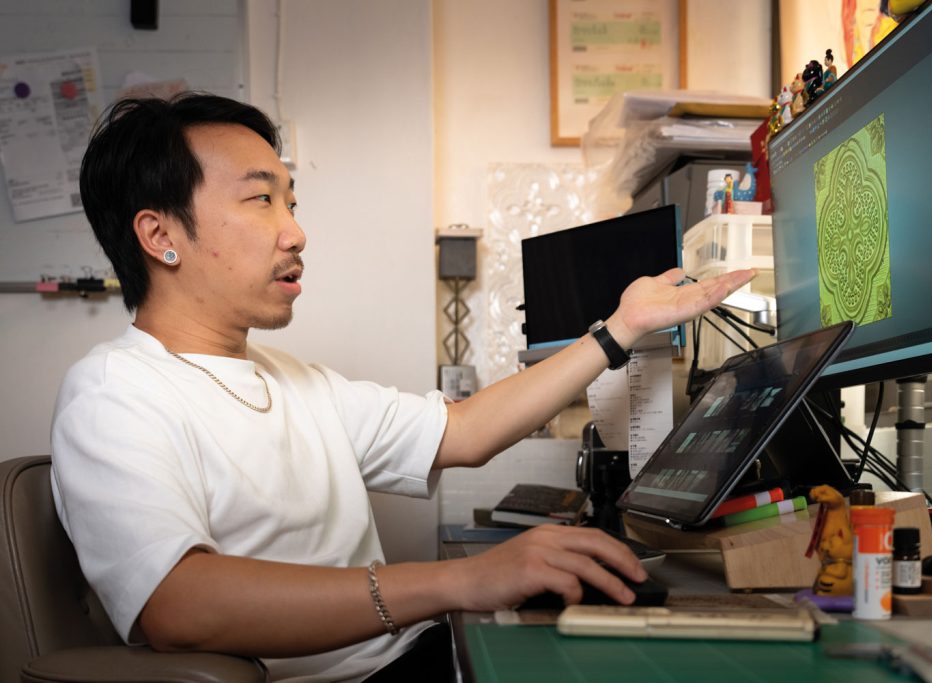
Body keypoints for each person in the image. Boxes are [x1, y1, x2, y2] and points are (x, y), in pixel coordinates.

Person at [50, 92, 756, 682]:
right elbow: (180, 606)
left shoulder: (292, 381)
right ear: (159, 233)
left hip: (411, 660)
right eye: (262, 200)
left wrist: (620, 329)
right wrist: (459, 580)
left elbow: (465, 430)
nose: (295, 232)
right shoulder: (114, 394)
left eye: (291, 201)